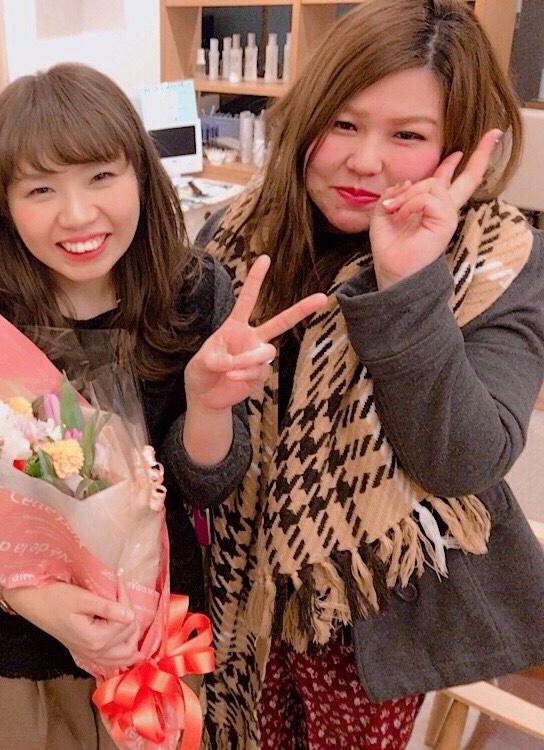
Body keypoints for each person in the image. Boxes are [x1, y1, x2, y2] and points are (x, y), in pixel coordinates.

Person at [0, 62, 325, 749]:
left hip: (157, 626)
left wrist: (207, 405)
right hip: (21, 644)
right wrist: (26, 595)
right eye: (40, 188)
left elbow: (204, 483)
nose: (77, 214)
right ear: (2, 203)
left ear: (142, 177)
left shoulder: (190, 291)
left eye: (100, 176)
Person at [196, 1, 544, 747]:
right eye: (344, 123)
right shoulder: (234, 235)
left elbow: (463, 460)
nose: (364, 161)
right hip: (232, 588)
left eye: (408, 135)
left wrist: (408, 284)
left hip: (369, 606)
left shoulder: (496, 261)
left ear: (460, 144)